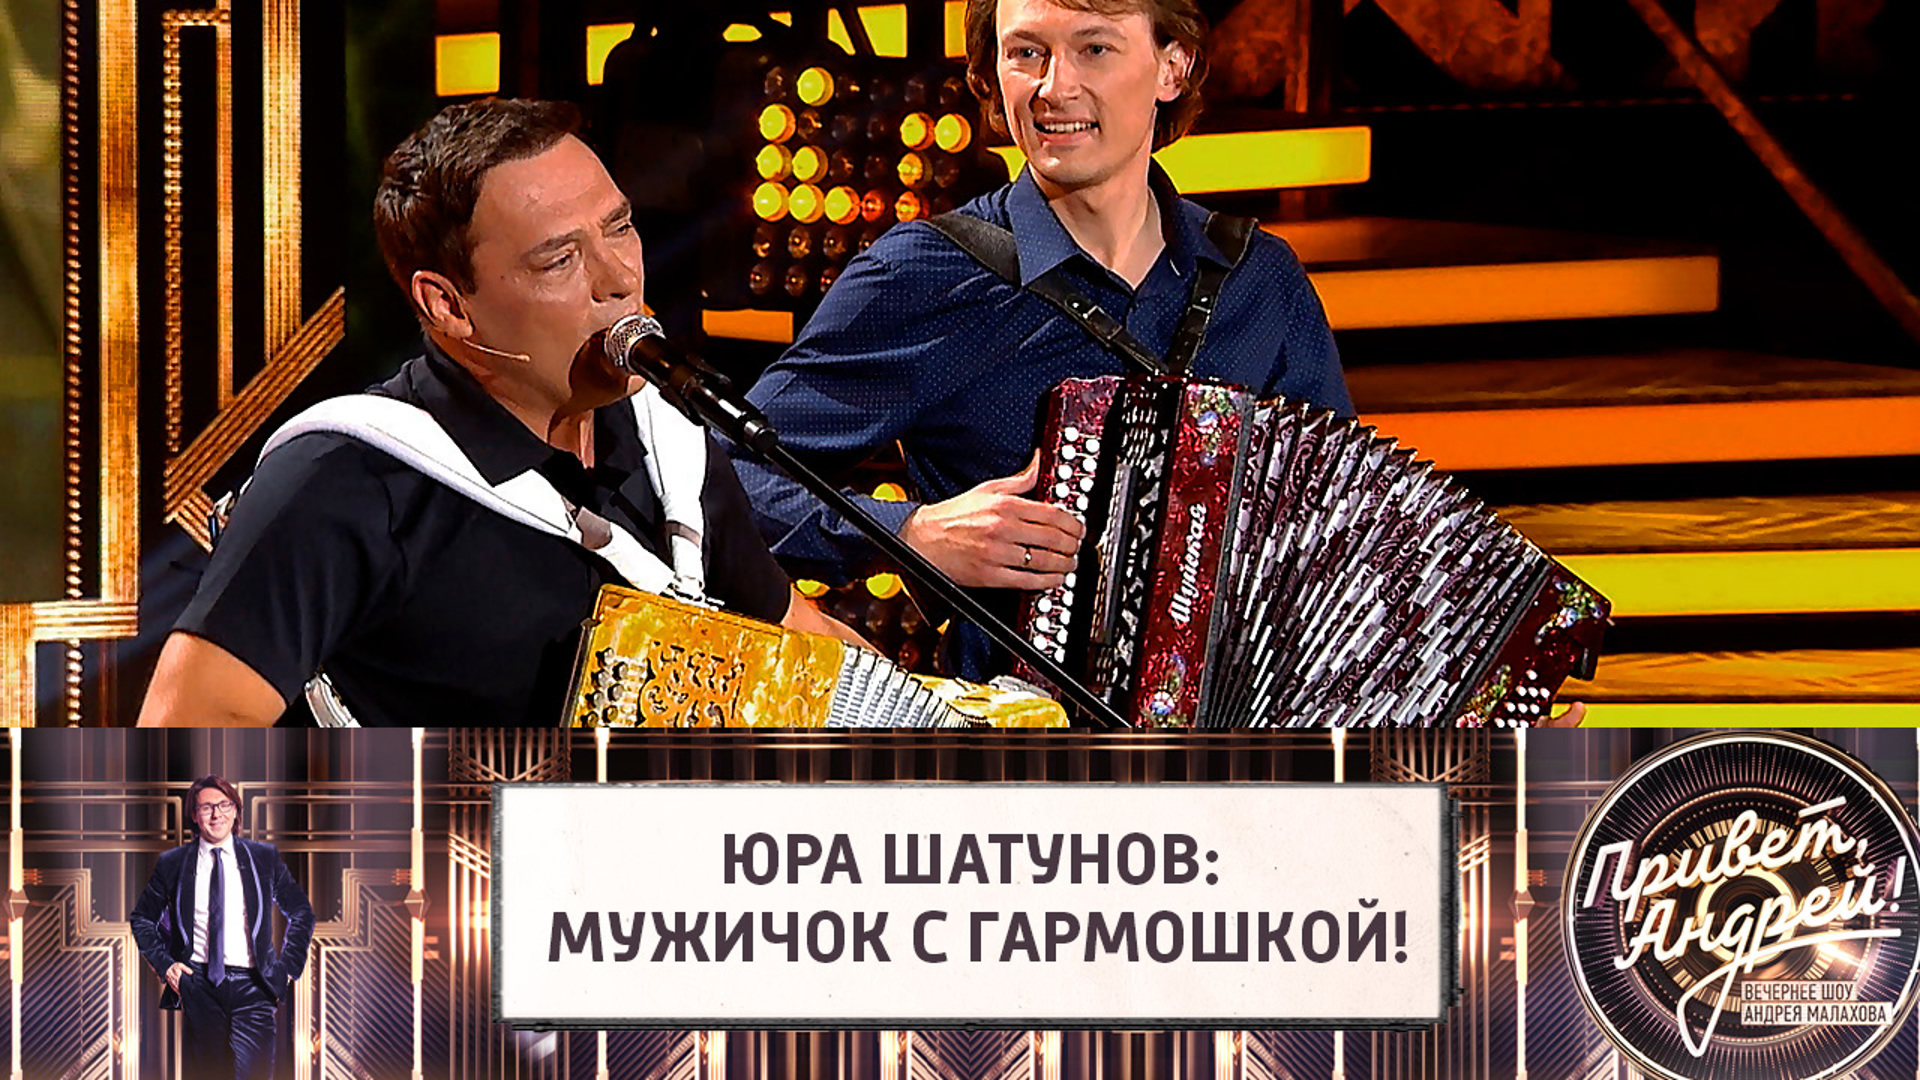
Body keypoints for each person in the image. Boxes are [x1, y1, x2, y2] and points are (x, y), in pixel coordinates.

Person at [138, 98, 860, 727]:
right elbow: (187, 743)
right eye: (560, 260)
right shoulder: (343, 479)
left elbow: (805, 646)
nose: (619, 279)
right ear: (449, 306)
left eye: (619, 228)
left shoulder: (672, 450)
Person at [731, 0, 1353, 681]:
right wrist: (908, 534)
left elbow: (1341, 530)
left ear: (1172, 67)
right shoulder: (924, 276)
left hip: (1247, 730)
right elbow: (717, 478)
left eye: (1094, 49)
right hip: (1022, 739)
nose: (1055, 88)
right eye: (1026, 53)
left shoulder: (1258, 280)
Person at [129, 776, 315, 1080]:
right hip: (199, 984)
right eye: (206, 807)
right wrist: (166, 965)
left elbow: (301, 912)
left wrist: (288, 969)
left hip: (255, 985)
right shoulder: (172, 862)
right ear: (194, 814)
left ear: (236, 810)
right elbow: (142, 918)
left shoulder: (263, 857)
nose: (216, 814)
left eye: (224, 805)